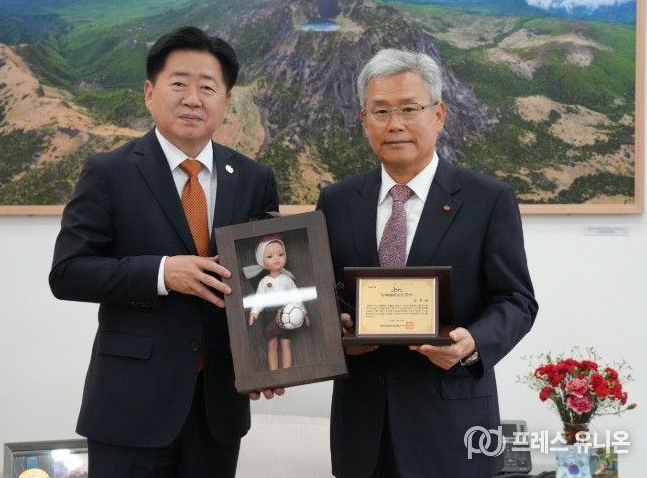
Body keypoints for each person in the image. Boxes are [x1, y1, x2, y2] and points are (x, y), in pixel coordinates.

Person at [49, 26, 282, 477]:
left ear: (226, 101)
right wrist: (161, 273)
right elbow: (68, 272)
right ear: (149, 93)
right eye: (179, 83)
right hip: (129, 405)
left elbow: (267, 272)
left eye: (207, 88)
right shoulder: (109, 172)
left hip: (218, 405)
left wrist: (269, 359)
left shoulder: (254, 178)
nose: (193, 99)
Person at [316, 49, 538, 478]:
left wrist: (471, 343)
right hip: (362, 430)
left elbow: (516, 300)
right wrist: (337, 331)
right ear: (364, 121)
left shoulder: (487, 199)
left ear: (438, 114)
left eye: (409, 108)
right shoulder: (337, 201)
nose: (395, 124)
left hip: (452, 424)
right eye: (381, 111)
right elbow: (323, 295)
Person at [242, 235, 310, 370]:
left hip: (286, 313)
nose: (276, 258)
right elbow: (259, 297)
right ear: (261, 260)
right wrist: (254, 312)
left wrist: (304, 313)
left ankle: (287, 371)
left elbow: (296, 297)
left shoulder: (287, 280)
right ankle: (273, 373)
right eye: (270, 256)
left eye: (280, 254)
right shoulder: (264, 281)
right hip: (269, 314)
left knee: (286, 343)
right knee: (272, 344)